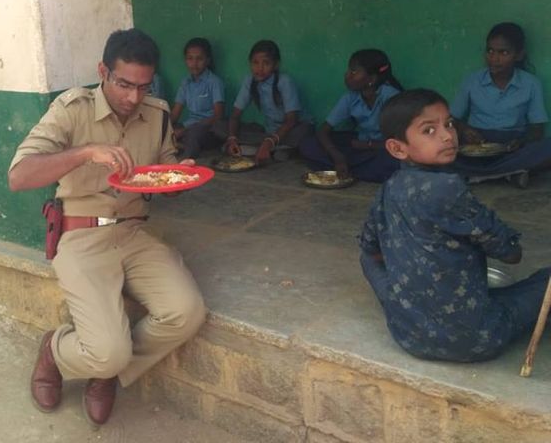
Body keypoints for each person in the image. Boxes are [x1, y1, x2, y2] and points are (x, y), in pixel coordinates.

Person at [8, 28, 206, 426]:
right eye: (124, 84)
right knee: (107, 349)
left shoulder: (158, 113)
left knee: (186, 312)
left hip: (134, 231)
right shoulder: (71, 108)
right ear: (103, 71)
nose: (134, 98)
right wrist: (84, 153)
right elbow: (19, 176)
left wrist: (177, 177)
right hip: (82, 234)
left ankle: (106, 368)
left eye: (143, 86)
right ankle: (57, 350)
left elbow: (162, 173)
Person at [359, 88, 551, 362]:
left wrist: (409, 270)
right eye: (429, 130)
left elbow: (370, 249)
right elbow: (510, 253)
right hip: (476, 338)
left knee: (367, 259)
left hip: (408, 334)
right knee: (544, 282)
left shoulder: (388, 189)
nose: (448, 135)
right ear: (397, 148)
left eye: (449, 124)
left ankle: (409, 304)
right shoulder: (447, 187)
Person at [450, 22, 551, 187]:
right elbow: (451, 119)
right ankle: (510, 173)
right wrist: (463, 129)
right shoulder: (472, 80)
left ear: (519, 55)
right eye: (490, 51)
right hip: (477, 144)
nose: (494, 59)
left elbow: (537, 129)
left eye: (503, 52)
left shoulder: (531, 84)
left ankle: (477, 175)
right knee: (440, 152)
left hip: (512, 146)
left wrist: (522, 142)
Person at [299, 49, 403, 182]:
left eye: (354, 72)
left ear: (371, 78)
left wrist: (368, 145)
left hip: (382, 148)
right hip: (359, 146)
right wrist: (337, 155)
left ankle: (349, 170)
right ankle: (353, 169)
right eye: (349, 70)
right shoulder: (351, 97)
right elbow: (323, 130)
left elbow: (403, 142)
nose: (347, 75)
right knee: (309, 144)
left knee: (393, 161)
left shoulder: (390, 96)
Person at [223, 40, 311, 164]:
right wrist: (232, 138)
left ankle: (268, 148)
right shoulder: (249, 81)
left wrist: (270, 141)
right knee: (220, 126)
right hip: (268, 132)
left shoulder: (284, 81)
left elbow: (292, 120)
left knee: (303, 134)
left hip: (291, 130)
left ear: (276, 65)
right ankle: (274, 150)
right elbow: (235, 115)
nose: (260, 68)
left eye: (266, 63)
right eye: (255, 63)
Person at [170, 37, 225, 159]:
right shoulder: (186, 82)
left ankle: (185, 160)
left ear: (208, 60)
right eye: (190, 59)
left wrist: (184, 131)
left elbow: (218, 115)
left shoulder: (214, 82)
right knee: (166, 130)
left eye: (199, 59)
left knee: (193, 134)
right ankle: (178, 145)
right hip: (188, 127)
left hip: (210, 129)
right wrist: (165, 128)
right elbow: (175, 114)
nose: (194, 64)